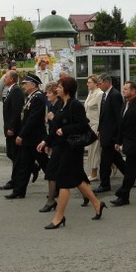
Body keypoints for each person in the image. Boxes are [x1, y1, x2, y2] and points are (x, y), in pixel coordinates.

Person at [37, 77, 104, 229]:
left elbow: (83, 125)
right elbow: (55, 127)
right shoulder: (61, 103)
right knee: (77, 179)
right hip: (60, 146)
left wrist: (65, 129)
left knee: (64, 182)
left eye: (60, 87)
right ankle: (97, 203)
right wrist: (46, 141)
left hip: (71, 148)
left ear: (67, 89)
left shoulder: (75, 105)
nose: (57, 89)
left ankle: (59, 217)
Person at [110, 81, 136, 206]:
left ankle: (123, 196)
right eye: (123, 88)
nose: (123, 91)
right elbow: (122, 125)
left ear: (134, 91)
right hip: (128, 143)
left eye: (126, 89)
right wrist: (118, 141)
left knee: (129, 172)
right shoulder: (126, 104)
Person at [5, 73, 47, 200]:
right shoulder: (31, 97)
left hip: (35, 138)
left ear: (33, 85)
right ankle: (19, 191)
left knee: (46, 164)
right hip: (29, 138)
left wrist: (21, 135)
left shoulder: (38, 98)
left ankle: (57, 186)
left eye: (26, 84)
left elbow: (32, 119)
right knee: (23, 165)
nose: (24, 86)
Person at [94, 73, 124, 193]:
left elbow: (118, 117)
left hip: (111, 135)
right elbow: (103, 115)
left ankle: (105, 184)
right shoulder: (105, 95)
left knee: (105, 161)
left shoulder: (115, 95)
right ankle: (130, 176)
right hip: (105, 133)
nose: (99, 85)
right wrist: (100, 129)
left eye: (100, 83)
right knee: (117, 159)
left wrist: (118, 137)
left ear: (107, 82)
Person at [0, 71, 25, 191]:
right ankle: (31, 167)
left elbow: (16, 111)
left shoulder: (16, 91)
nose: (4, 78)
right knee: (11, 154)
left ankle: (15, 180)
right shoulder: (10, 90)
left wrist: (12, 128)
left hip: (13, 129)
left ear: (12, 79)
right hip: (9, 127)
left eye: (6, 77)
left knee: (14, 154)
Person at [39, 82, 62, 212]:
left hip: (61, 144)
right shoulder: (53, 106)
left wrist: (45, 142)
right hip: (56, 143)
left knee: (51, 172)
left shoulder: (60, 106)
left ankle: (51, 201)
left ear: (55, 94)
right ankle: (90, 197)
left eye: (49, 93)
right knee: (74, 174)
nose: (46, 95)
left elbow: (58, 126)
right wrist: (48, 144)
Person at [84, 76, 102, 181]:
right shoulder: (91, 93)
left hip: (96, 125)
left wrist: (99, 128)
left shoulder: (99, 94)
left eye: (89, 82)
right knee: (92, 149)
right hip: (89, 124)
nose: (87, 84)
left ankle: (94, 173)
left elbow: (101, 112)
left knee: (93, 149)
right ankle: (112, 164)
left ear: (96, 83)